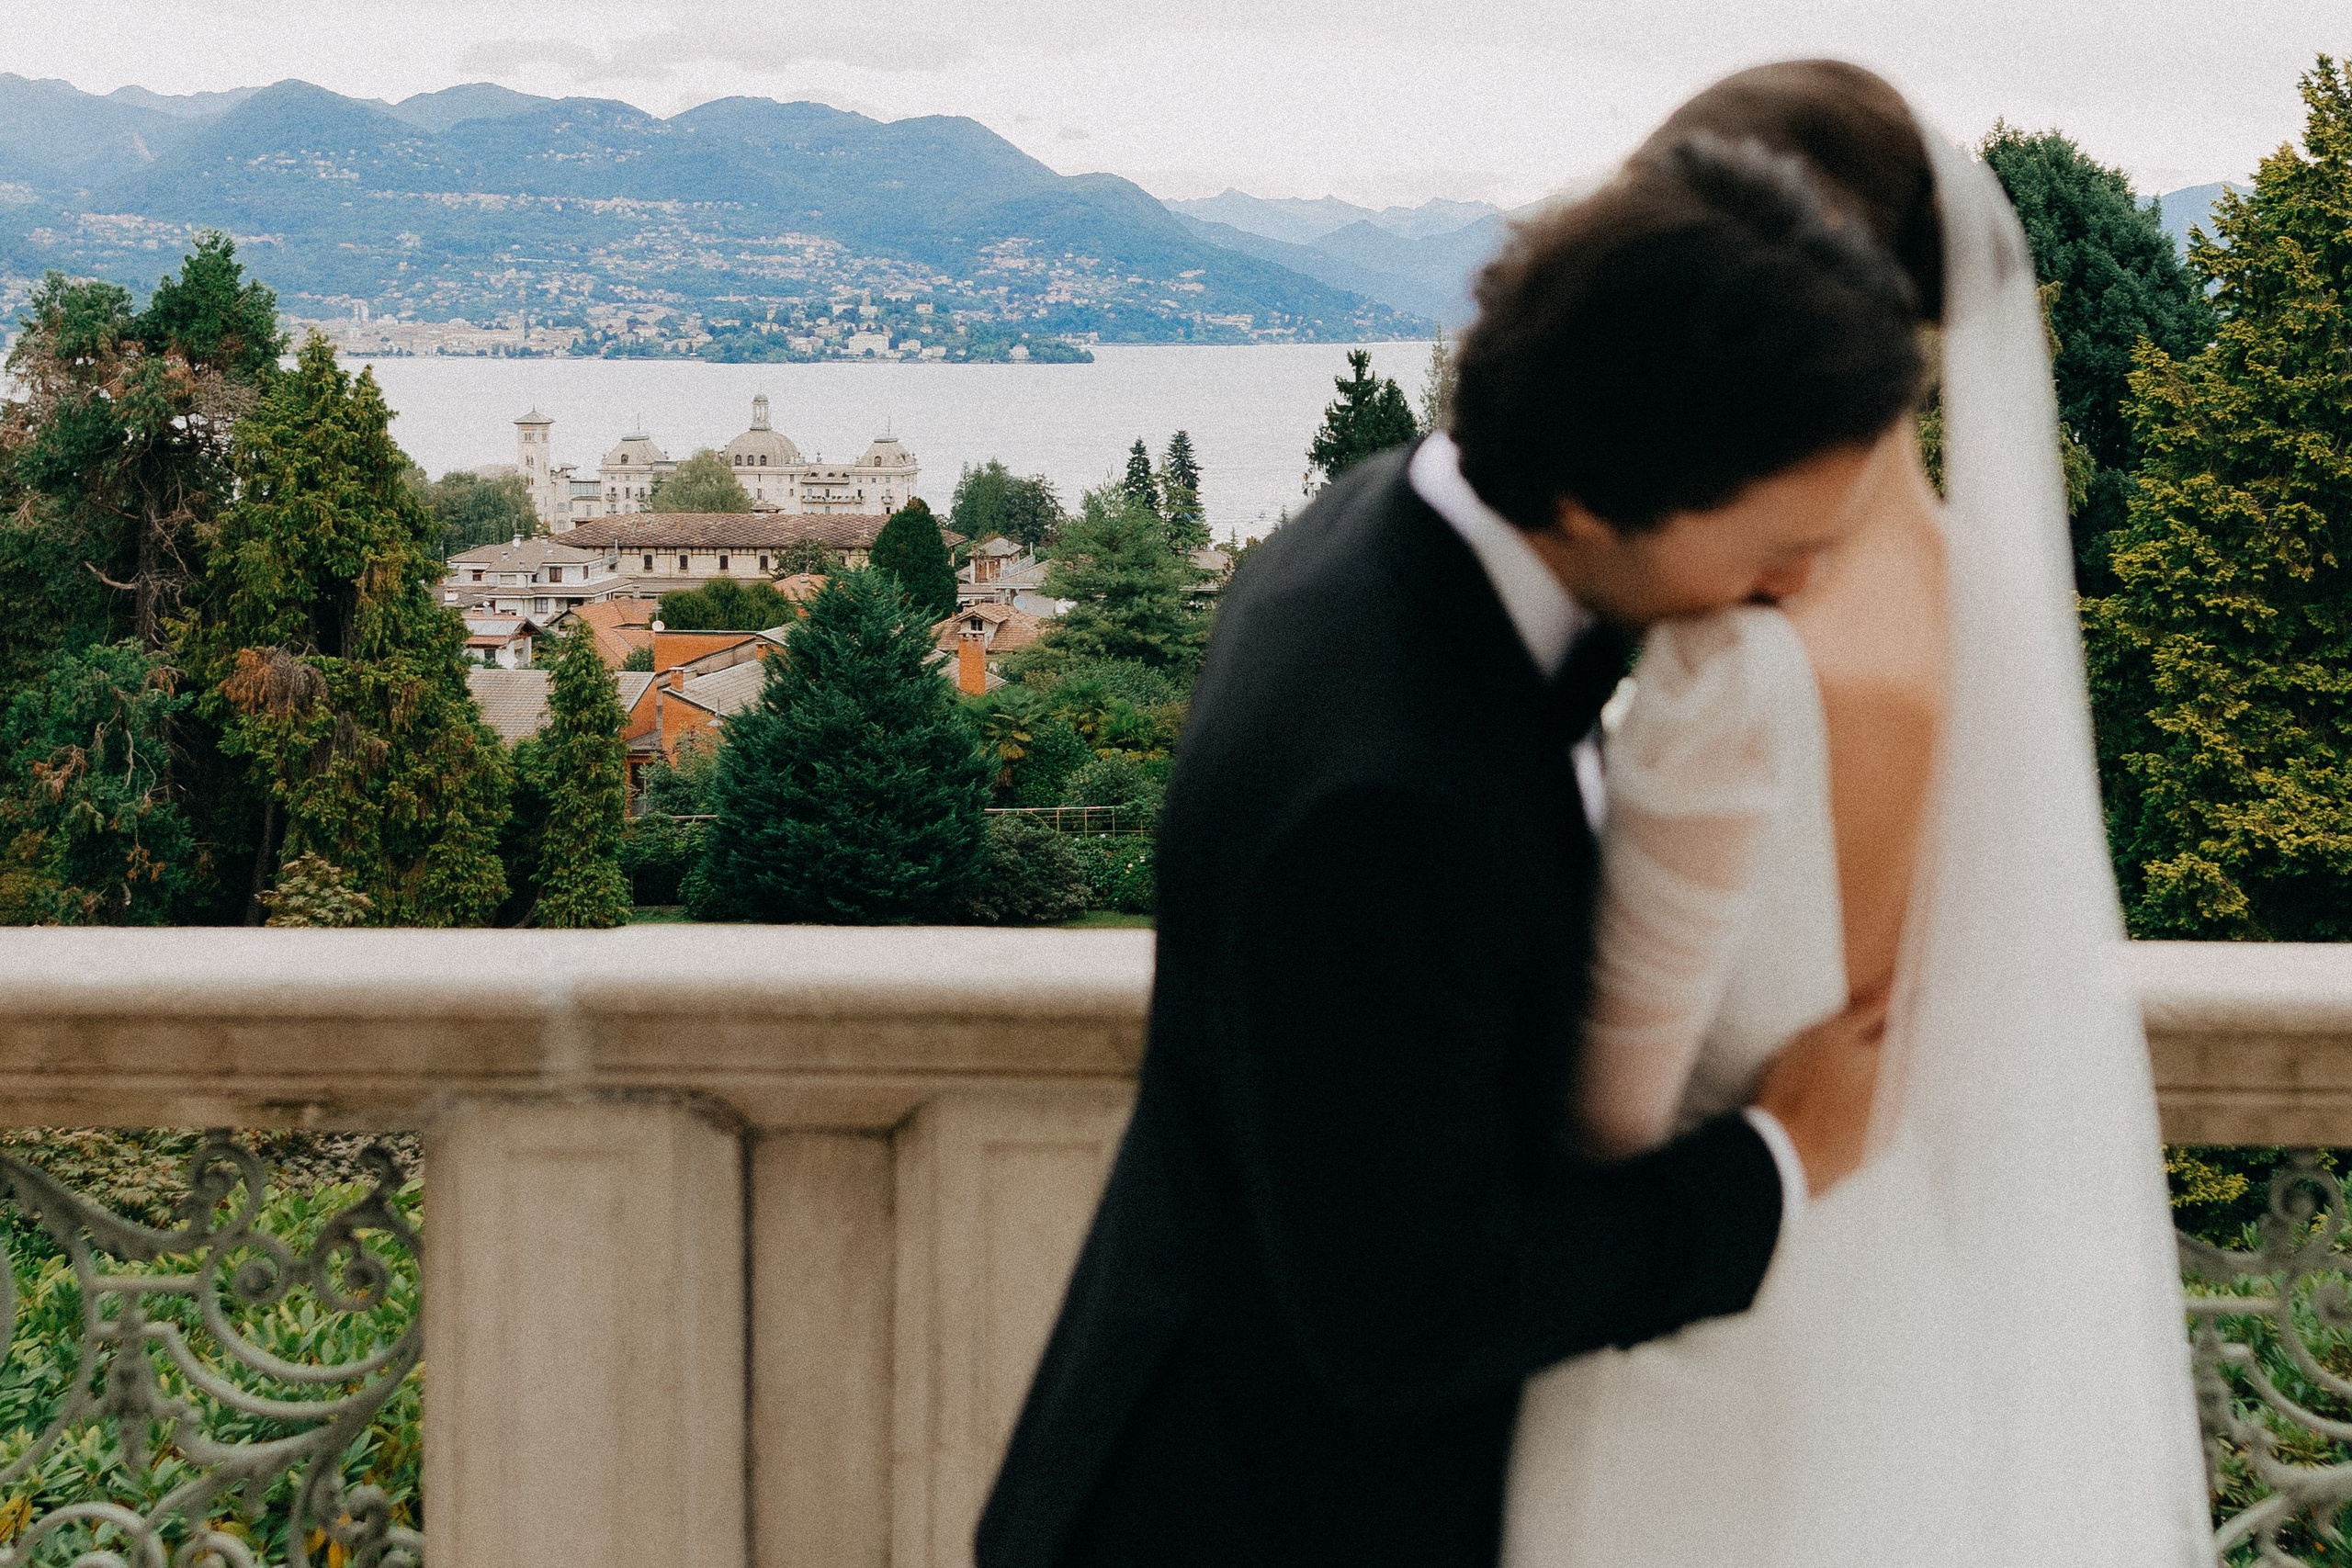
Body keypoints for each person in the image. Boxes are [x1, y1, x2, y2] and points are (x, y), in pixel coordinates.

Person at [978, 65, 1933, 1568]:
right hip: (1254, 1514)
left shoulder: (1385, 523)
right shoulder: (1384, 797)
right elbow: (1406, 1314)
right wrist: (1776, 1157)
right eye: (1781, 549)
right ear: (1609, 496)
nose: (1801, 593)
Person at [1499, 63, 2211, 1566]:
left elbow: (1610, 1118)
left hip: (1699, 1333)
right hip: (1905, 1299)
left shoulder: (1737, 653)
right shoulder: (2001, 608)